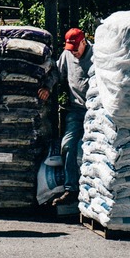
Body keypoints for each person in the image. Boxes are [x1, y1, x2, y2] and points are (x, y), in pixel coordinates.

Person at [40, 27, 92, 201]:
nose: (74, 53)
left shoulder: (97, 56)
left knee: (89, 148)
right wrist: (48, 87)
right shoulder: (67, 55)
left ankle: (92, 189)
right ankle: (71, 189)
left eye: (76, 49)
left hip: (96, 110)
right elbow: (57, 72)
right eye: (71, 49)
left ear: (84, 42)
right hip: (77, 109)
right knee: (68, 145)